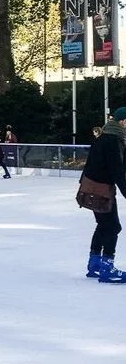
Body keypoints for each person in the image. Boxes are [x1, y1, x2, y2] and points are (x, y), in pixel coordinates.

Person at [81, 107, 126, 283]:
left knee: (103, 225)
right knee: (113, 227)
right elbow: (117, 171)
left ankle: (95, 264)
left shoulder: (104, 138)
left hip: (91, 189)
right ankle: (107, 267)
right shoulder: (114, 141)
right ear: (122, 122)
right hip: (101, 191)